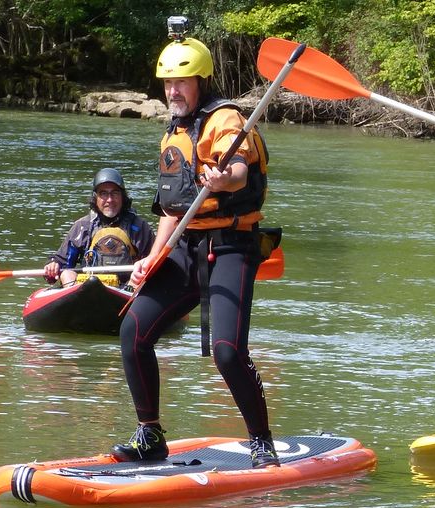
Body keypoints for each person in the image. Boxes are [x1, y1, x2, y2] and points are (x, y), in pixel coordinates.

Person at [111, 26, 279, 468]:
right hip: (187, 247)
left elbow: (238, 170)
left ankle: (262, 441)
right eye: (167, 83)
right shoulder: (172, 133)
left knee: (227, 351)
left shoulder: (223, 118)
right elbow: (172, 209)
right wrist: (152, 256)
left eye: (180, 82)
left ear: (200, 80)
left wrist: (224, 178)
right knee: (133, 331)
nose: (172, 91)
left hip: (232, 246)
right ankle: (150, 435)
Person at [44, 168, 154, 287]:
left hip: (127, 288)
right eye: (103, 194)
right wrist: (53, 265)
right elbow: (62, 261)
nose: (110, 200)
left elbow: (155, 262)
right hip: (88, 288)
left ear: (123, 197)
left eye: (115, 193)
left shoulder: (139, 227)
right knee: (67, 274)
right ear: (95, 198)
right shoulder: (83, 226)